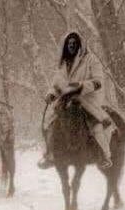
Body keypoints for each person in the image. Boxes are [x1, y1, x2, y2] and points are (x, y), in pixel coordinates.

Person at [38, 31, 114, 170]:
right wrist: (51, 94)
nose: (71, 46)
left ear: (80, 45)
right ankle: (49, 155)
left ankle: (105, 155)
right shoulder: (63, 64)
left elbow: (98, 81)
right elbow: (56, 85)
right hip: (65, 101)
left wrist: (80, 86)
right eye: (69, 44)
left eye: (74, 43)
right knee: (49, 124)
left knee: (96, 125)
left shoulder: (91, 60)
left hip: (86, 100)